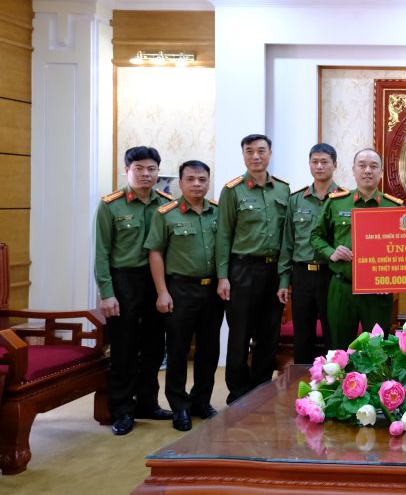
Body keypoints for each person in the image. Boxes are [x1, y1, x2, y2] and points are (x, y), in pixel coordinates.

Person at [94, 146, 175, 436]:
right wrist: (106, 292)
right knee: (125, 347)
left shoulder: (166, 204)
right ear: (126, 170)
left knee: (154, 346)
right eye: (139, 168)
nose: (145, 174)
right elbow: (101, 252)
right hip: (123, 281)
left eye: (151, 169)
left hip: (156, 282)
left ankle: (147, 403)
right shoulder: (111, 205)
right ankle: (122, 410)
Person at [145, 160, 222, 432]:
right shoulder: (165, 213)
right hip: (180, 289)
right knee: (177, 349)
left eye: (202, 179)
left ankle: (201, 401)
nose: (197, 184)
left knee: (209, 349)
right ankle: (179, 406)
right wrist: (162, 292)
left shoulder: (218, 212)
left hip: (212, 291)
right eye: (191, 179)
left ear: (208, 181)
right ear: (180, 182)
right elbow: (155, 253)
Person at [215, 134, 290, 404]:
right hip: (242, 271)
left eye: (261, 151)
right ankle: (237, 393)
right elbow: (223, 235)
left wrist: (284, 278)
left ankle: (260, 390)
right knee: (239, 334)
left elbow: (286, 240)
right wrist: (222, 276)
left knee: (268, 335)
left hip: (272, 272)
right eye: (250, 152)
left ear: (270, 153)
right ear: (243, 155)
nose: (256, 156)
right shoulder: (232, 191)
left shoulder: (283, 190)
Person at [309, 148, 402, 349]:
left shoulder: (393, 207)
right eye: (362, 165)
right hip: (343, 289)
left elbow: (405, 249)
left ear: (381, 172)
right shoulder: (336, 203)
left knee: (378, 352)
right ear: (353, 170)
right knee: (339, 351)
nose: (367, 170)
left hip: (378, 292)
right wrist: (331, 252)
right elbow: (316, 237)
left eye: (373, 166)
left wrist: (393, 277)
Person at [277, 143, 345, 364]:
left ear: (334, 165)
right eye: (314, 162)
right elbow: (288, 242)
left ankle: (334, 387)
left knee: (332, 332)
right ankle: (302, 387)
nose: (319, 166)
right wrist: (284, 280)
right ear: (309, 165)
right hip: (302, 274)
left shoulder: (344, 199)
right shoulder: (297, 199)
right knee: (303, 335)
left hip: (332, 275)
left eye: (324, 162)